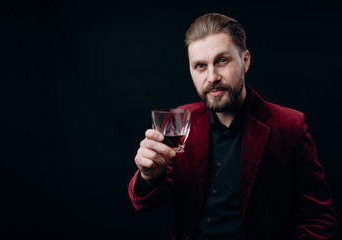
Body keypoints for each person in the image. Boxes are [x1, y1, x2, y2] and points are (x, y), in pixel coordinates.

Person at [128, 13, 337, 240]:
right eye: (200, 66)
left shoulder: (290, 126)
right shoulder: (179, 122)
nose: (212, 77)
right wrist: (149, 176)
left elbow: (319, 220)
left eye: (222, 61)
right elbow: (147, 204)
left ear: (245, 60)